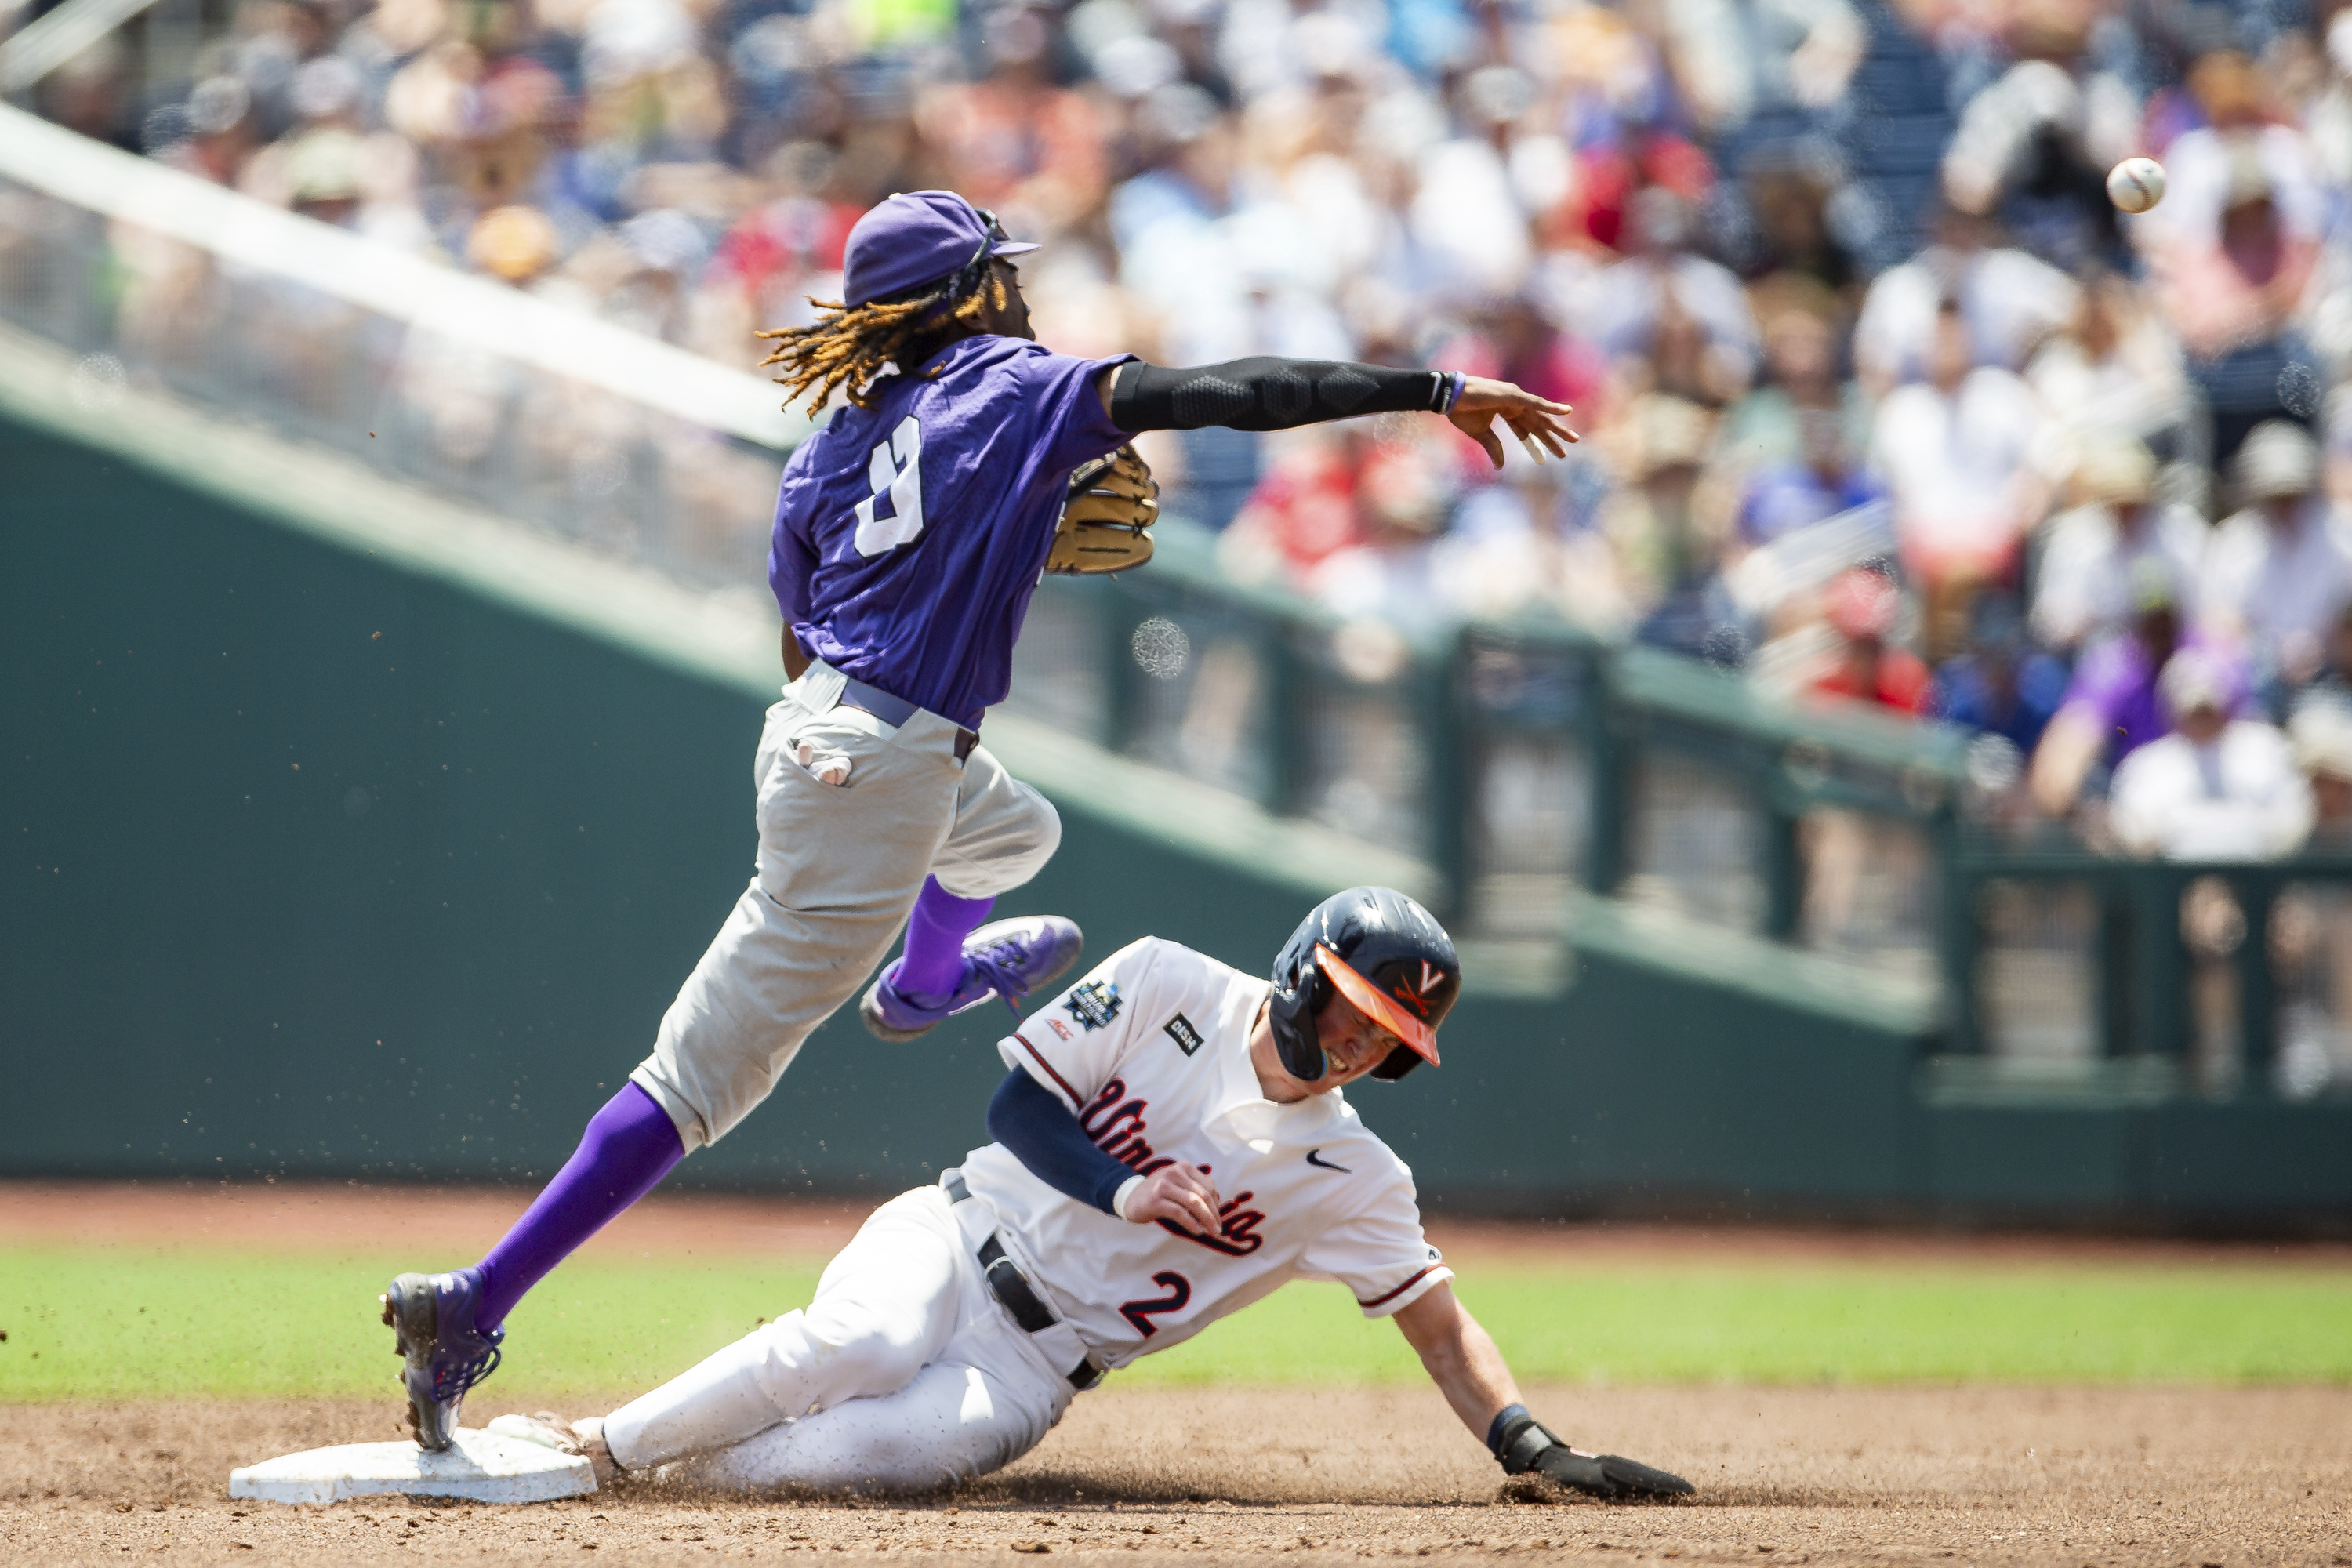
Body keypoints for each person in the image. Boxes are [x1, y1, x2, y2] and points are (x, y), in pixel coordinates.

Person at [380, 190, 1584, 1450]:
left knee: (1015, 835)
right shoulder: (1009, 383)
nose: (1016, 293)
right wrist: (1435, 392)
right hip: (882, 769)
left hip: (834, 738)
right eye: (996, 276)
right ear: (964, 297)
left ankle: (921, 986)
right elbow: (1228, 391)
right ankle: (478, 1302)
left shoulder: (832, 445)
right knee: (698, 1081)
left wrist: (993, 540)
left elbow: (806, 635)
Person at [488, 889, 1695, 1502]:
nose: (1362, 1047)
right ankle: (593, 1447)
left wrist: (1532, 1449)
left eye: (1390, 1039)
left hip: (1032, 1372)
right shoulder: (1167, 981)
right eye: (1356, 1011)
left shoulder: (1357, 1176)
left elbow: (1440, 1328)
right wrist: (1129, 1192)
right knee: (861, 1336)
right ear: (1301, 973)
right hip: (963, 1237)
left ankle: (681, 1469)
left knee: (871, 1456)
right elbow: (1013, 1113)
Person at [2108, 650, 2312, 860]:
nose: (2203, 719)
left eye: (2209, 709)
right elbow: (2135, 834)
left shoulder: (2266, 747)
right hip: (2172, 882)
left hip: (2258, 880)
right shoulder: (2146, 765)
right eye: (2195, 712)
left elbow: (2292, 823)